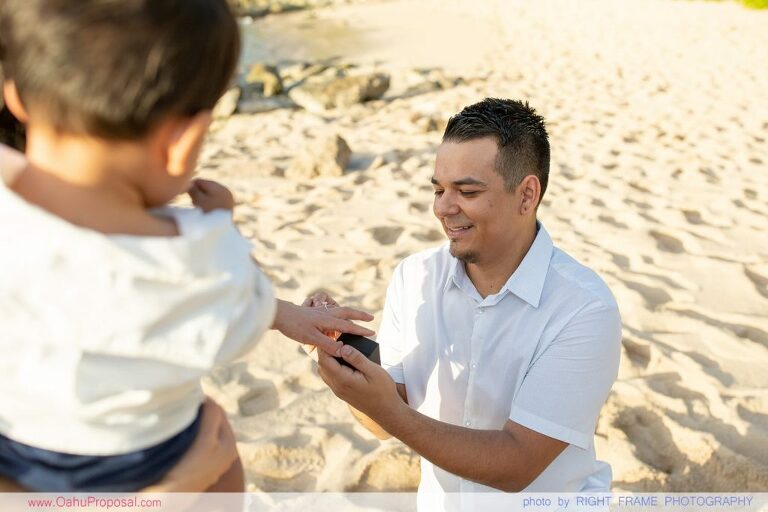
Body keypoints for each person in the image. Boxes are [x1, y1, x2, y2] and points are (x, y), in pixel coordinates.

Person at [0, 0, 373, 492]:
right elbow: (237, 305)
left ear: (17, 97)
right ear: (184, 141)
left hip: (25, 456)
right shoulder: (203, 259)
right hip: (145, 465)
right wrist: (219, 222)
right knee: (219, 462)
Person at [315, 98, 622, 498]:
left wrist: (389, 411)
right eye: (439, 189)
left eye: (467, 191)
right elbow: (383, 417)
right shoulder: (414, 278)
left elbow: (516, 464)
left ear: (527, 195)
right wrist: (340, 356)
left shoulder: (584, 309)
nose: (443, 208)